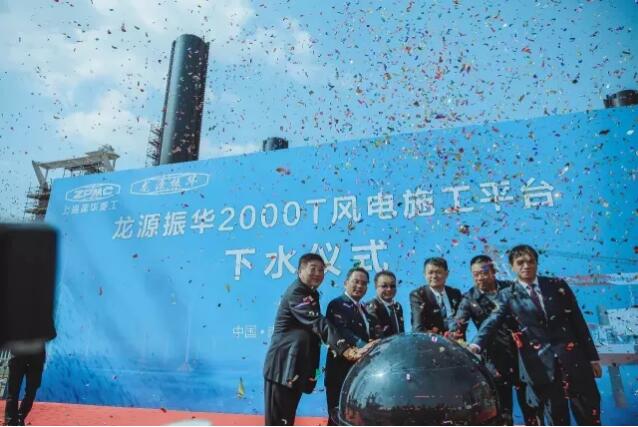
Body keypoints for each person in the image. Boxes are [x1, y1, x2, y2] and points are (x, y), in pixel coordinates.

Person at [469, 245, 602, 425]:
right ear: (512, 266)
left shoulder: (557, 285)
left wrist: (592, 358)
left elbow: (577, 321)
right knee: (557, 419)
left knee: (589, 416)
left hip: (574, 361)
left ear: (537, 264)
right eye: (520, 262)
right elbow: (492, 321)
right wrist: (476, 345)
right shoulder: (508, 295)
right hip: (541, 367)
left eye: (530, 261)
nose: (526, 266)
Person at [263, 253, 371, 426]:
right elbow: (318, 322)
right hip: (282, 366)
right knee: (278, 422)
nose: (318, 274)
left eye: (321, 270)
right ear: (299, 271)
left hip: (293, 368)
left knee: (286, 421)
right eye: (312, 269)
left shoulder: (311, 294)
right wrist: (346, 350)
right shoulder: (297, 292)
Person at [451, 255, 536, 425]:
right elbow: (458, 326)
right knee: (503, 411)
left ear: (493, 272)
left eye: (484, 273)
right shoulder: (469, 298)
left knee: (531, 407)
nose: (480, 278)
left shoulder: (511, 288)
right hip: (494, 361)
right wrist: (455, 338)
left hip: (522, 356)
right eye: (476, 274)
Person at [325, 267, 377, 425]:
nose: (360, 286)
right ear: (346, 283)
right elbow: (342, 331)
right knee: (338, 418)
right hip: (340, 372)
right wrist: (366, 347)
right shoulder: (337, 304)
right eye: (356, 282)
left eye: (364, 283)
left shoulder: (364, 309)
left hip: (358, 374)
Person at [410, 257, 462, 334]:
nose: (434, 276)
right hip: (430, 340)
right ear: (424, 274)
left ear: (446, 274)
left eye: (438, 272)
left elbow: (462, 321)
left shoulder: (455, 293)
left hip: (456, 339)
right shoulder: (418, 295)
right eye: (430, 272)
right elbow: (418, 327)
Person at [4, 342, 46, 426]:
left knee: (31, 391)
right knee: (13, 391)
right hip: (18, 354)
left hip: (36, 358)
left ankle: (20, 417)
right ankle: (11, 421)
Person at [365, 270, 404, 339]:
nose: (389, 289)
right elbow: (377, 334)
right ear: (376, 287)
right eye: (384, 286)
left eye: (392, 286)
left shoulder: (397, 306)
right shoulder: (371, 306)